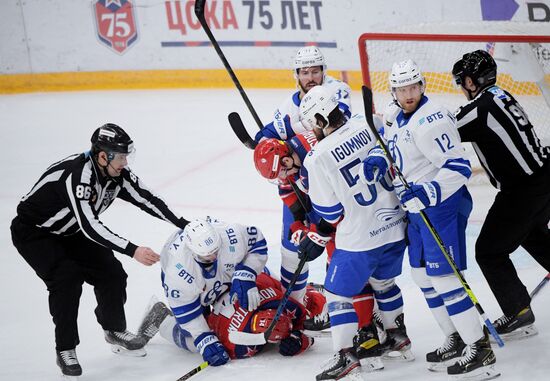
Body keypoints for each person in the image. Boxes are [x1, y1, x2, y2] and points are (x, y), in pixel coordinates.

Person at [10, 123, 190, 377]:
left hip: (70, 232)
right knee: (66, 279)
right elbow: (90, 226)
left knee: (112, 273)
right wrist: (133, 249)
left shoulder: (117, 175)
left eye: (128, 156)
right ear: (102, 155)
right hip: (35, 234)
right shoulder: (78, 176)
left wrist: (186, 225)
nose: (126, 163)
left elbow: (148, 200)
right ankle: (65, 348)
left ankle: (114, 330)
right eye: (121, 156)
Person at [361, 59, 499, 379]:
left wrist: (428, 192)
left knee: (445, 280)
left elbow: (460, 169)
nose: (408, 94)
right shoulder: (398, 115)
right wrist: (378, 158)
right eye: (402, 89)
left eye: (413, 87)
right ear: (394, 92)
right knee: (422, 277)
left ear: (423, 86)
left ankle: (480, 348)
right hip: (418, 211)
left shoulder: (432, 121)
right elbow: (393, 144)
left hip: (442, 206)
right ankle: (455, 338)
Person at [298, 86, 410, 380]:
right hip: (396, 227)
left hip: (360, 238)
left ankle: (345, 358)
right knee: (384, 284)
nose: (312, 130)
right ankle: (399, 338)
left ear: (320, 119)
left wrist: (318, 234)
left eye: (312, 124)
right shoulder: (367, 124)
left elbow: (331, 213)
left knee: (337, 295)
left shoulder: (317, 157)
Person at [452, 49, 550, 340]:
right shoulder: (501, 95)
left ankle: (517, 309)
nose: (461, 87)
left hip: (523, 190)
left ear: (471, 82)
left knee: (489, 251)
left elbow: (442, 130)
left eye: (462, 81)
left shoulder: (479, 109)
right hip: (543, 177)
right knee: (531, 233)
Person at [253, 47, 352, 308]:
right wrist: (264, 145)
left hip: (332, 183)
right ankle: (293, 307)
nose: (310, 77)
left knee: (340, 248)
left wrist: (286, 130)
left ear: (323, 71)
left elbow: (336, 122)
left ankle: (346, 304)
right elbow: (269, 142)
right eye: (304, 72)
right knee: (292, 249)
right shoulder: (288, 104)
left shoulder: (337, 90)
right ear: (296, 75)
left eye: (315, 71)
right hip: (299, 183)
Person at [253, 135, 379, 333]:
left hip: (353, 215)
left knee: (350, 272)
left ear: (286, 160)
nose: (282, 178)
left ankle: (368, 323)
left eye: (282, 172)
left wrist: (316, 233)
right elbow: (290, 192)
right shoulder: (294, 158)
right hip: (340, 215)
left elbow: (332, 208)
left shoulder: (313, 164)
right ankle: (366, 319)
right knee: (343, 270)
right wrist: (298, 222)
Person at [154, 218, 316, 365]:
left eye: (216, 250)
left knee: (264, 280)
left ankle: (310, 292)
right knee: (193, 337)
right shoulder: (177, 272)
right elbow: (186, 311)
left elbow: (257, 243)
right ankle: (162, 321)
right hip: (198, 289)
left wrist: (247, 272)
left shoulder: (230, 234)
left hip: (231, 274)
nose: (214, 256)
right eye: (207, 255)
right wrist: (204, 339)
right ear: (192, 251)